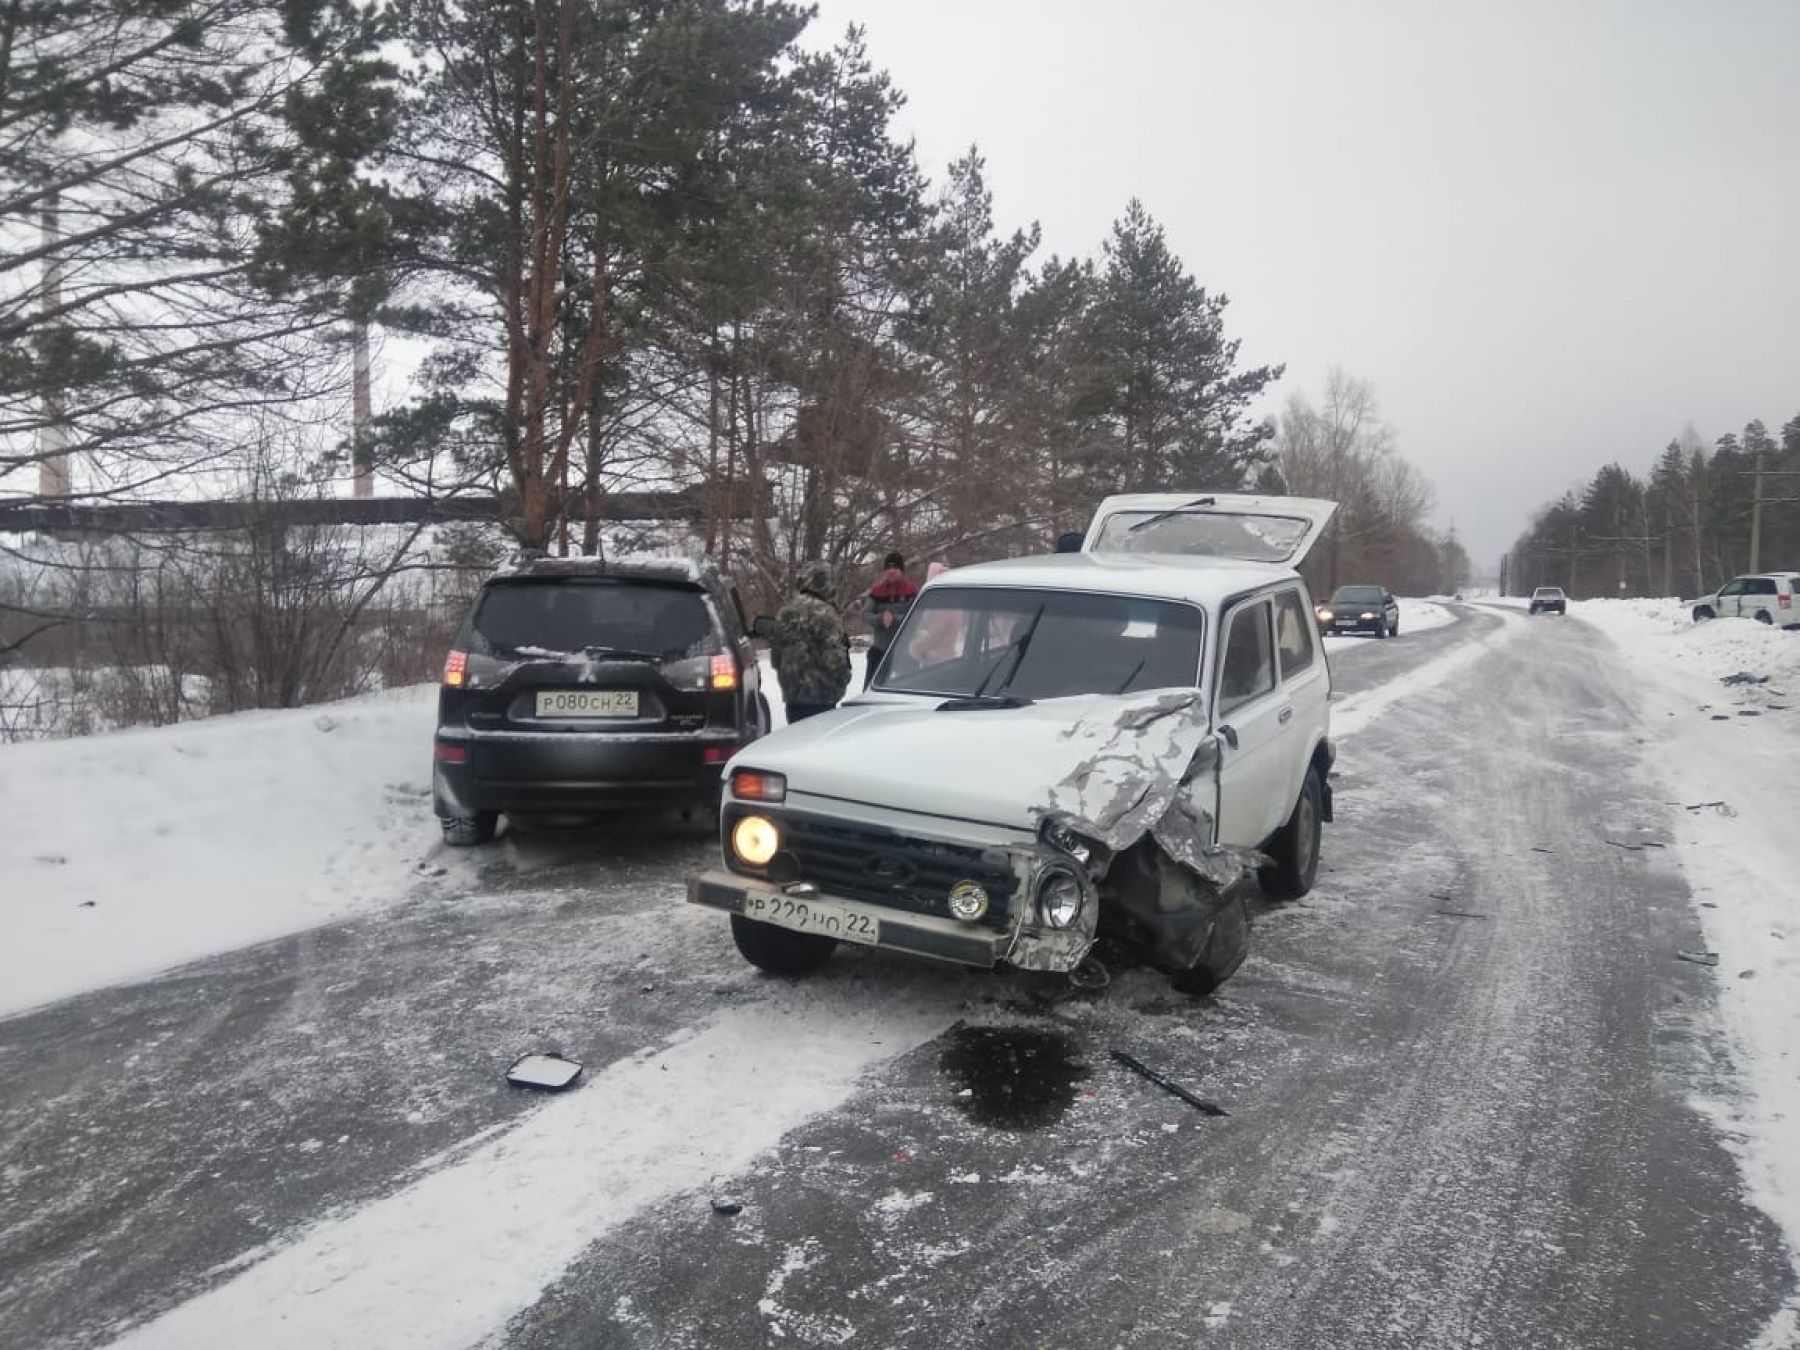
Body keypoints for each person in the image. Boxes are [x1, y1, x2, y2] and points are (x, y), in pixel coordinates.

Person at [770, 561, 851, 722]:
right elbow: (835, 659)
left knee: (797, 742)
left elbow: (775, 657)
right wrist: (843, 680)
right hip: (822, 697)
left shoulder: (785, 612)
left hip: (793, 697)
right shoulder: (827, 614)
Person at [860, 550, 919, 689]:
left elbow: (917, 617)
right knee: (870, 690)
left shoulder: (912, 591)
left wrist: (894, 619)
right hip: (880, 650)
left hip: (905, 652)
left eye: (895, 568)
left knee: (908, 692)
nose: (891, 571)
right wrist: (880, 619)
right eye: (888, 568)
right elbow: (864, 614)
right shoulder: (876, 591)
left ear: (902, 570)